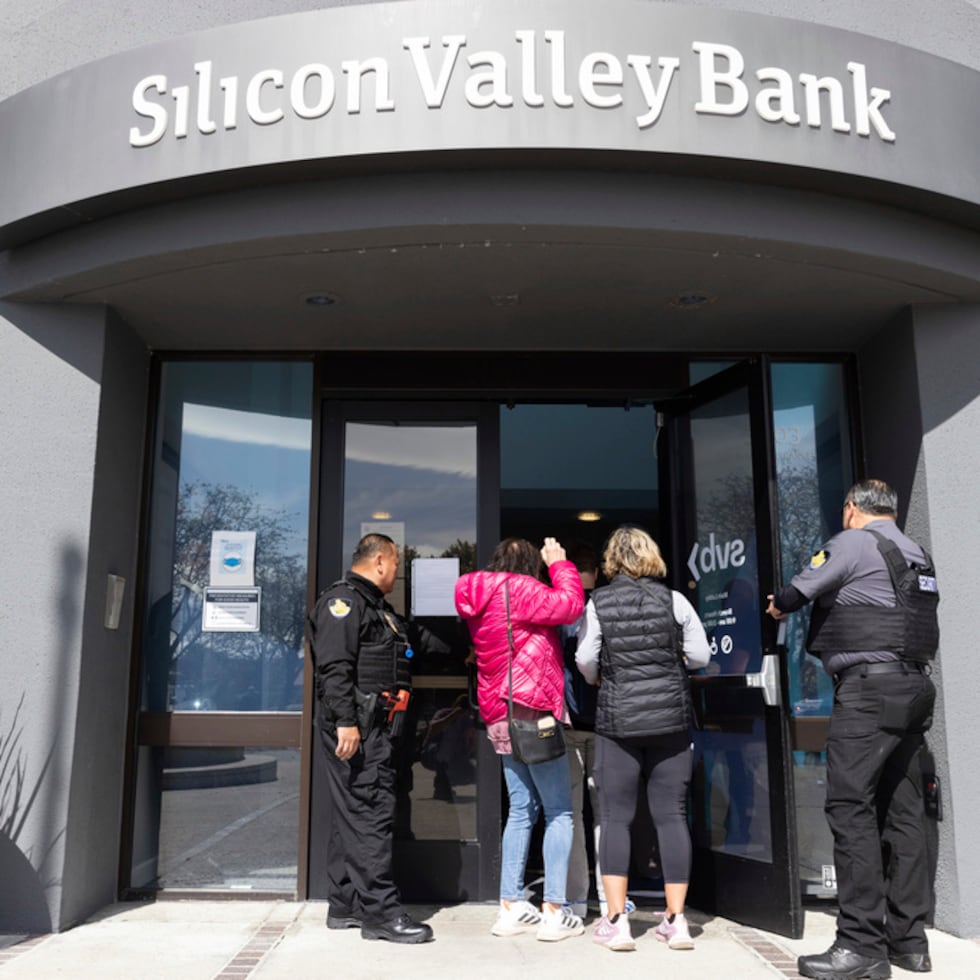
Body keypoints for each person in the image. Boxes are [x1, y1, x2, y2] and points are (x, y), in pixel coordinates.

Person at [767, 479, 939, 979]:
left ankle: (860, 946)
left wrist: (777, 605)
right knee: (903, 813)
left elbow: (798, 591)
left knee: (849, 808)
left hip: (868, 692)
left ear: (851, 510)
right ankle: (909, 942)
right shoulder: (916, 552)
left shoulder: (852, 542)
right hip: (913, 690)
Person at [576, 525, 710, 952]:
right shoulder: (675, 600)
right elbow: (702, 656)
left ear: (611, 561)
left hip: (619, 723)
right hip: (670, 721)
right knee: (671, 815)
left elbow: (584, 658)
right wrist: (672, 665)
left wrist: (600, 678)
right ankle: (677, 920)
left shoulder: (597, 603)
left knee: (616, 818)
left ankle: (616, 923)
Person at [455, 536, 586, 942]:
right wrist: (560, 564)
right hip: (532, 710)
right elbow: (570, 607)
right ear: (529, 564)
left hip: (499, 712)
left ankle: (510, 906)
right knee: (560, 811)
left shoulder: (477, 593)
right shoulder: (523, 589)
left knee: (521, 809)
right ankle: (554, 912)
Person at [308, 533, 433, 944]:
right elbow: (334, 668)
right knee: (370, 813)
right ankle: (380, 914)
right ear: (380, 560)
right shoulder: (341, 603)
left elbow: (410, 648)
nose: (397, 573)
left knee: (354, 813)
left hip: (375, 727)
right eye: (396, 564)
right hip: (356, 729)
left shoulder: (378, 609)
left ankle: (345, 903)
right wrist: (346, 721)